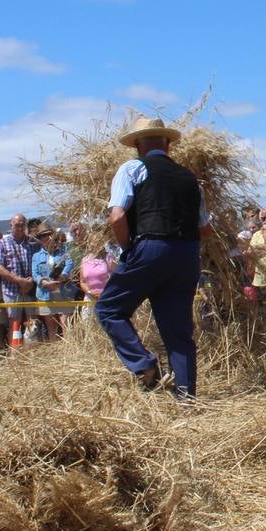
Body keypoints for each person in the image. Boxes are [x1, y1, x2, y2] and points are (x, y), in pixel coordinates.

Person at [95, 116, 212, 399]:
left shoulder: (132, 168)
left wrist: (128, 249)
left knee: (109, 309)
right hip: (186, 255)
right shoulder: (190, 180)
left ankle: (143, 363)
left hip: (150, 248)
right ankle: (186, 401)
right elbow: (206, 229)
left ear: (137, 145)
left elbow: (117, 216)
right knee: (179, 333)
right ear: (168, 143)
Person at [0, 215, 40, 346]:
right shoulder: (2, 243)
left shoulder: (33, 242)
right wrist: (19, 280)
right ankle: (15, 353)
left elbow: (39, 262)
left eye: (22, 225)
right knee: (15, 322)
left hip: (30, 289)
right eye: (17, 225)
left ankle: (35, 351)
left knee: (33, 321)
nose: (20, 228)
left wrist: (30, 280)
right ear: (11, 225)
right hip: (11, 290)